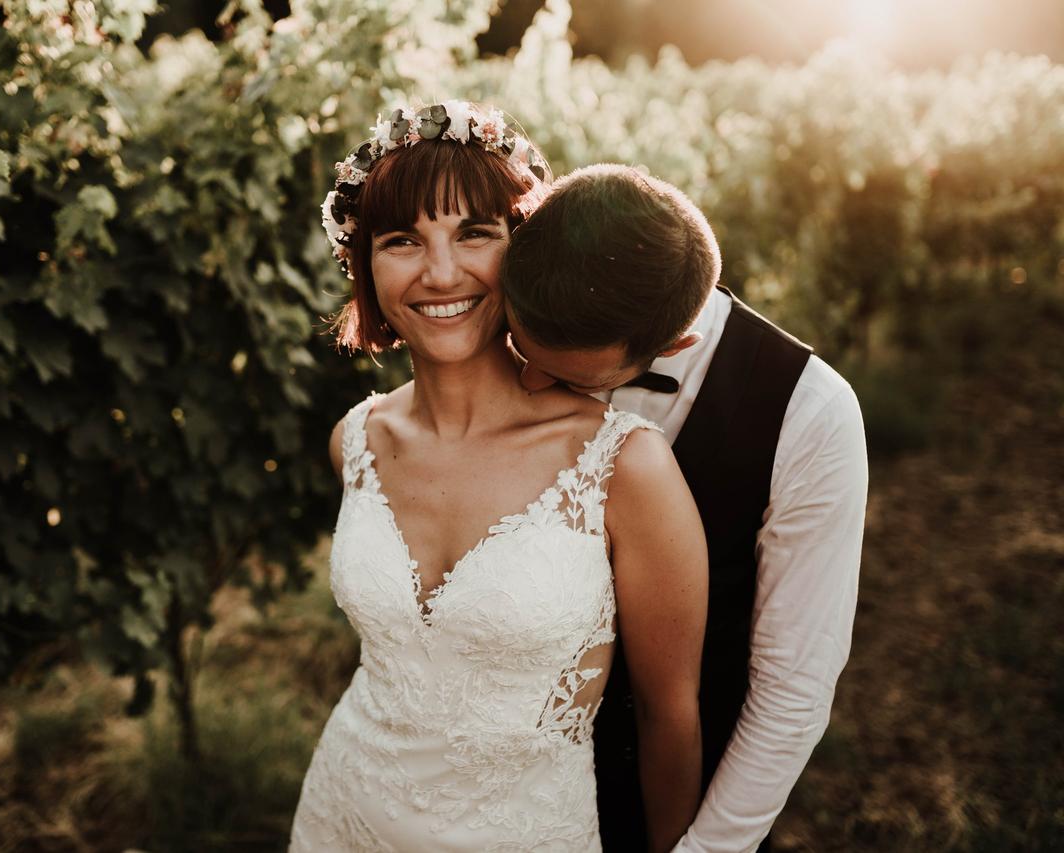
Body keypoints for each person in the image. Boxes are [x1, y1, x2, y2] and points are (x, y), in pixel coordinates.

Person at [289, 104, 710, 852]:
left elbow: (667, 716)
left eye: (474, 232)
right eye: (402, 241)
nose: (441, 271)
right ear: (364, 266)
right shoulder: (354, 440)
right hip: (343, 816)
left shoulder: (624, 466)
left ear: (521, 247)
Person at [501, 163, 869, 852]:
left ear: (673, 346)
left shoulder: (810, 416)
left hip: (671, 802)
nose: (525, 379)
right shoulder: (549, 291)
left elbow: (792, 690)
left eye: (564, 375)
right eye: (521, 347)